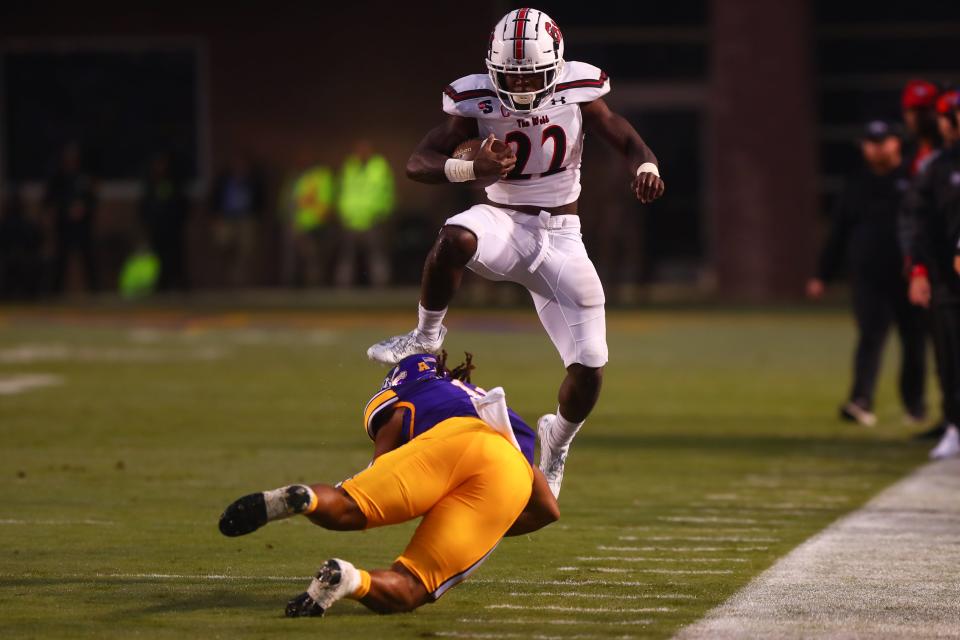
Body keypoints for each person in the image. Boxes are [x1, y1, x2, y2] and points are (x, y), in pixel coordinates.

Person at [366, 8, 665, 498]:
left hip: (563, 234)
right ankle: (424, 336)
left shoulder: (578, 88)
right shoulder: (474, 95)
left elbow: (625, 137)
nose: (523, 90)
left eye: (533, 77)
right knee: (453, 238)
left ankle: (557, 441)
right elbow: (418, 162)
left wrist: (645, 165)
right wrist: (472, 167)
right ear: (492, 68)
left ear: (557, 68)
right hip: (503, 221)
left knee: (590, 368)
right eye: (511, 77)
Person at [218, 352, 559, 616]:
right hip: (511, 468)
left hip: (448, 442)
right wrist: (490, 522)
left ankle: (305, 498)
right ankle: (349, 580)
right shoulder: (482, 402)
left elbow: (380, 467)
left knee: (349, 508)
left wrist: (366, 496)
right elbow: (547, 510)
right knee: (413, 586)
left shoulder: (407, 399)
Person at [806, 121, 926, 427]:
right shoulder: (857, 182)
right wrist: (822, 274)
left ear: (896, 143)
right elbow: (839, 232)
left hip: (909, 275)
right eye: (869, 142)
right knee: (870, 338)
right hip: (868, 277)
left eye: (880, 141)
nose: (873, 148)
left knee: (913, 341)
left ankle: (915, 404)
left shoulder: (914, 177)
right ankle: (861, 400)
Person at [900, 89, 960, 459]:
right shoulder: (938, 166)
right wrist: (919, 270)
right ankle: (955, 425)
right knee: (949, 356)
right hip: (948, 281)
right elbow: (917, 221)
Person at [334, 141, 395, 288]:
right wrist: (343, 213)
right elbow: (341, 191)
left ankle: (381, 288)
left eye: (365, 149)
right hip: (351, 221)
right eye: (359, 150)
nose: (362, 153)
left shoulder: (379, 167)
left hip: (373, 220)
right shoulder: (349, 167)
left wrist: (382, 214)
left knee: (376, 256)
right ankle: (343, 290)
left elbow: (388, 193)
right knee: (347, 257)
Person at [44, 142, 99, 293]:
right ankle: (55, 292)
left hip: (82, 225)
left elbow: (92, 198)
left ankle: (94, 290)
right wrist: (65, 209)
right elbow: (48, 200)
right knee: (61, 259)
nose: (71, 158)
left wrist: (84, 208)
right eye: (68, 155)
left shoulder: (84, 176)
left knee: (88, 257)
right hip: (64, 225)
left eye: (74, 155)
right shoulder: (58, 176)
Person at [278, 152, 336, 287]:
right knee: (296, 257)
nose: (303, 161)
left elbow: (327, 204)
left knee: (315, 258)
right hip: (300, 226)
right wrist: (292, 221)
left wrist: (314, 206)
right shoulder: (296, 179)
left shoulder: (322, 177)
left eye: (307, 158)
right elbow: (289, 203)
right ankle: (290, 286)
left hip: (320, 226)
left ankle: (315, 286)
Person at [209, 156, 265, 288]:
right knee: (222, 241)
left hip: (246, 219)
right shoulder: (224, 180)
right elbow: (214, 201)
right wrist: (215, 218)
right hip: (226, 219)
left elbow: (260, 203)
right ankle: (226, 279)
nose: (239, 168)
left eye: (243, 165)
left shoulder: (253, 181)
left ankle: (240, 281)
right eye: (236, 164)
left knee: (246, 248)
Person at [139, 152, 189, 292]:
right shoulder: (150, 183)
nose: (160, 167)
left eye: (162, 164)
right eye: (157, 164)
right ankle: (161, 286)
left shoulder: (174, 182)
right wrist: (148, 222)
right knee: (157, 258)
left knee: (176, 257)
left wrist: (178, 221)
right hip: (156, 228)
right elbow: (144, 205)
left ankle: (180, 285)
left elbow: (182, 204)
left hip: (172, 228)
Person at [901, 79, 941, 177]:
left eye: (923, 110)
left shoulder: (950, 150)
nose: (917, 117)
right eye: (912, 110)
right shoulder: (901, 152)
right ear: (904, 113)